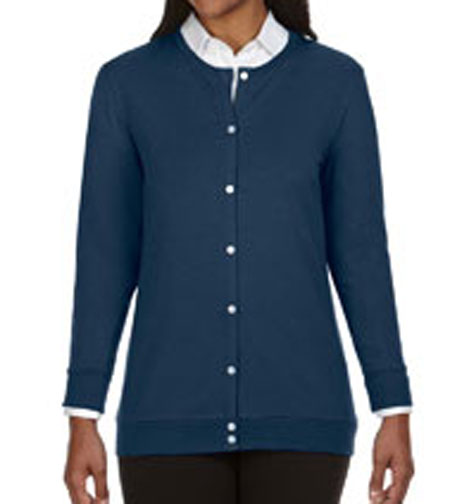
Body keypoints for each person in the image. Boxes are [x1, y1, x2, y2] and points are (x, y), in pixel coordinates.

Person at [62, 1, 414, 503]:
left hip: (303, 419)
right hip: (165, 418)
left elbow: (361, 254)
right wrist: (83, 413)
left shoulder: (335, 82)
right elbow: (104, 259)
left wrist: (393, 406)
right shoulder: (127, 84)